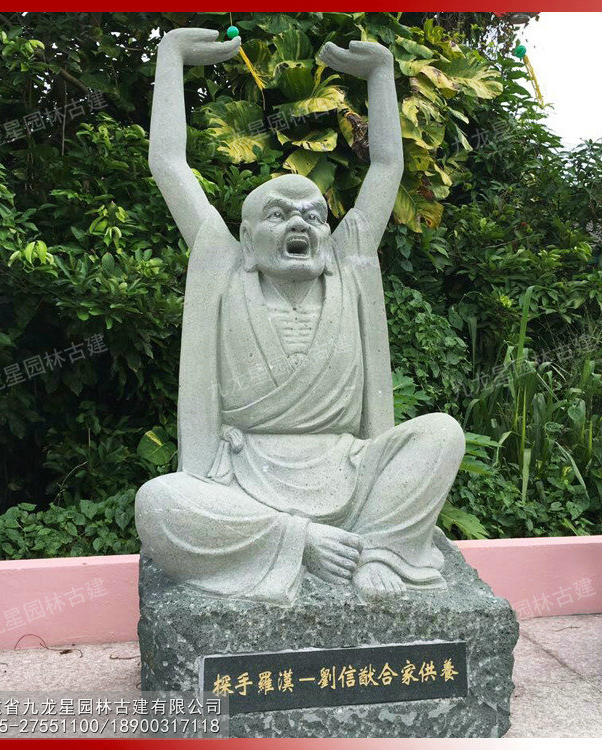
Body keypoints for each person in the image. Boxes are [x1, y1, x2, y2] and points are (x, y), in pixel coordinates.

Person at [135, 28, 465, 604]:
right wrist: (170, 57)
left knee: (441, 433)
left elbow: (388, 165)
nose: (299, 224)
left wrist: (382, 75)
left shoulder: (349, 263)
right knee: (160, 503)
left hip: (349, 470)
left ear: (328, 233)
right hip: (244, 481)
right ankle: (297, 541)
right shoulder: (223, 268)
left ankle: (379, 552)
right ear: (246, 238)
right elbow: (168, 163)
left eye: (313, 216)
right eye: (278, 214)